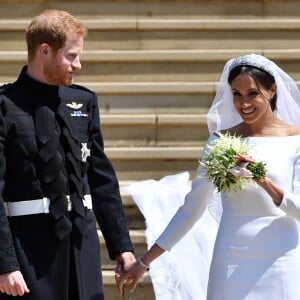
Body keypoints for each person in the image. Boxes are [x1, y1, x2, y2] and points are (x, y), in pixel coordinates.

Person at [118, 53, 300, 299]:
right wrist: (143, 262)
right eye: (237, 94)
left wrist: (261, 179)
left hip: (282, 258)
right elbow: (191, 209)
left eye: (252, 93)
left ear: (272, 90)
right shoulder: (220, 141)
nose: (244, 103)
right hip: (231, 257)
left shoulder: (295, 139)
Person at [0, 9, 135, 300]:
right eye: (71, 56)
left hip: (81, 248)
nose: (78, 65)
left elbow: (102, 181)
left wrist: (121, 246)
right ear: (45, 50)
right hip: (29, 254)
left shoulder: (84, 101)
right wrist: (5, 264)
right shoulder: (5, 106)